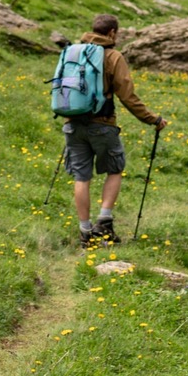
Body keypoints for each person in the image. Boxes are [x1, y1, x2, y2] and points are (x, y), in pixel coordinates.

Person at [64, 13, 168, 246]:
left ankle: (84, 231)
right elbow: (127, 96)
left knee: (82, 176)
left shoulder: (74, 52)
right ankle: (104, 221)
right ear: (112, 33)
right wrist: (153, 119)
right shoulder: (113, 56)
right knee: (115, 168)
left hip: (72, 123)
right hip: (102, 125)